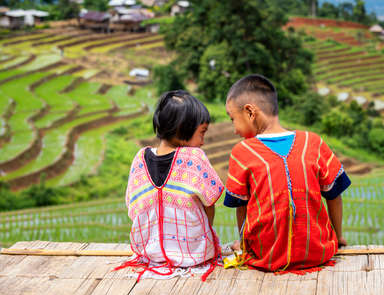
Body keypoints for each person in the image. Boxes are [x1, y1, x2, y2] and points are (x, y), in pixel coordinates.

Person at [224, 74, 350, 273]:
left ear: (250, 112)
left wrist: (243, 244)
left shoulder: (242, 152)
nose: (234, 130)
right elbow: (334, 195)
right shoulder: (313, 142)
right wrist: (338, 236)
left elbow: (241, 207)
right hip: (318, 253)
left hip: (267, 257)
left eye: (233, 119)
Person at [115, 90, 224, 281]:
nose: (203, 141)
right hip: (195, 255)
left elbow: (132, 207)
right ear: (183, 128)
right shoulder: (194, 158)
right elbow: (210, 202)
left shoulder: (139, 159)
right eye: (202, 133)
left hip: (149, 253)